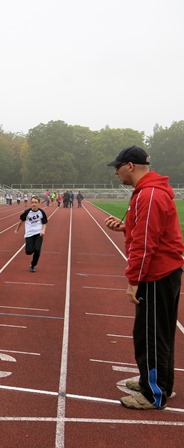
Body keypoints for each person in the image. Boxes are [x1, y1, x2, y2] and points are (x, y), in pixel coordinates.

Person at [103, 146, 183, 410]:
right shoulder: (149, 191)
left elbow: (146, 242)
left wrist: (133, 280)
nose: (116, 172)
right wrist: (127, 227)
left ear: (130, 166)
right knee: (158, 333)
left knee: (150, 336)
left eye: (117, 167)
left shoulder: (149, 194)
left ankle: (153, 394)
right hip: (163, 272)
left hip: (156, 275)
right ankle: (159, 383)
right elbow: (148, 231)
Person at [14, 195, 47, 273]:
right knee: (28, 252)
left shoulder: (41, 212)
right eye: (32, 202)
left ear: (38, 203)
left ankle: (33, 265)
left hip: (38, 233)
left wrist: (43, 230)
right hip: (29, 233)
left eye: (35, 202)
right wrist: (17, 229)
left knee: (37, 250)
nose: (34, 204)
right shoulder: (27, 212)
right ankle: (34, 248)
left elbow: (44, 223)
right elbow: (21, 221)